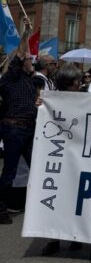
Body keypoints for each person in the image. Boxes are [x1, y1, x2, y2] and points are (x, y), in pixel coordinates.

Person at [40, 64, 85, 255]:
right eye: (76, 81)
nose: (80, 84)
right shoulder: (53, 101)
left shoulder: (86, 100)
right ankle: (54, 237)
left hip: (78, 156)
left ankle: (73, 235)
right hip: (57, 155)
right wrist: (41, 108)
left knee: (75, 196)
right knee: (56, 196)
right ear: (69, 82)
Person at [0, 17, 37, 224]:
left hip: (28, 130)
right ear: (21, 63)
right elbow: (20, 54)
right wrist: (25, 33)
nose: (33, 61)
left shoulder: (29, 82)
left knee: (37, 167)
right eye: (30, 60)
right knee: (10, 172)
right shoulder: (10, 78)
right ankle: (0, 208)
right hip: (14, 129)